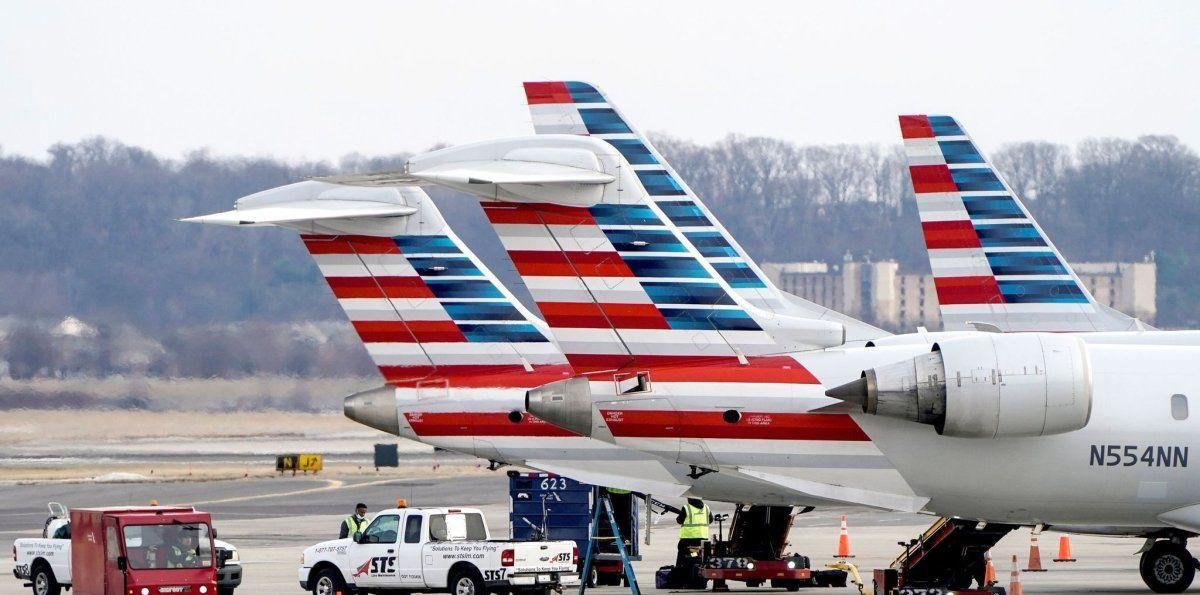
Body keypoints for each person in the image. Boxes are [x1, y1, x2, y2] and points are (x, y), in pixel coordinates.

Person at [672, 498, 712, 586]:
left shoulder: (686, 508)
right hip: (702, 540)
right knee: (698, 558)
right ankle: (699, 581)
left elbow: (679, 520)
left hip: (688, 540)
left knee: (683, 559)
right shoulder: (706, 507)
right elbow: (711, 520)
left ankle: (682, 581)